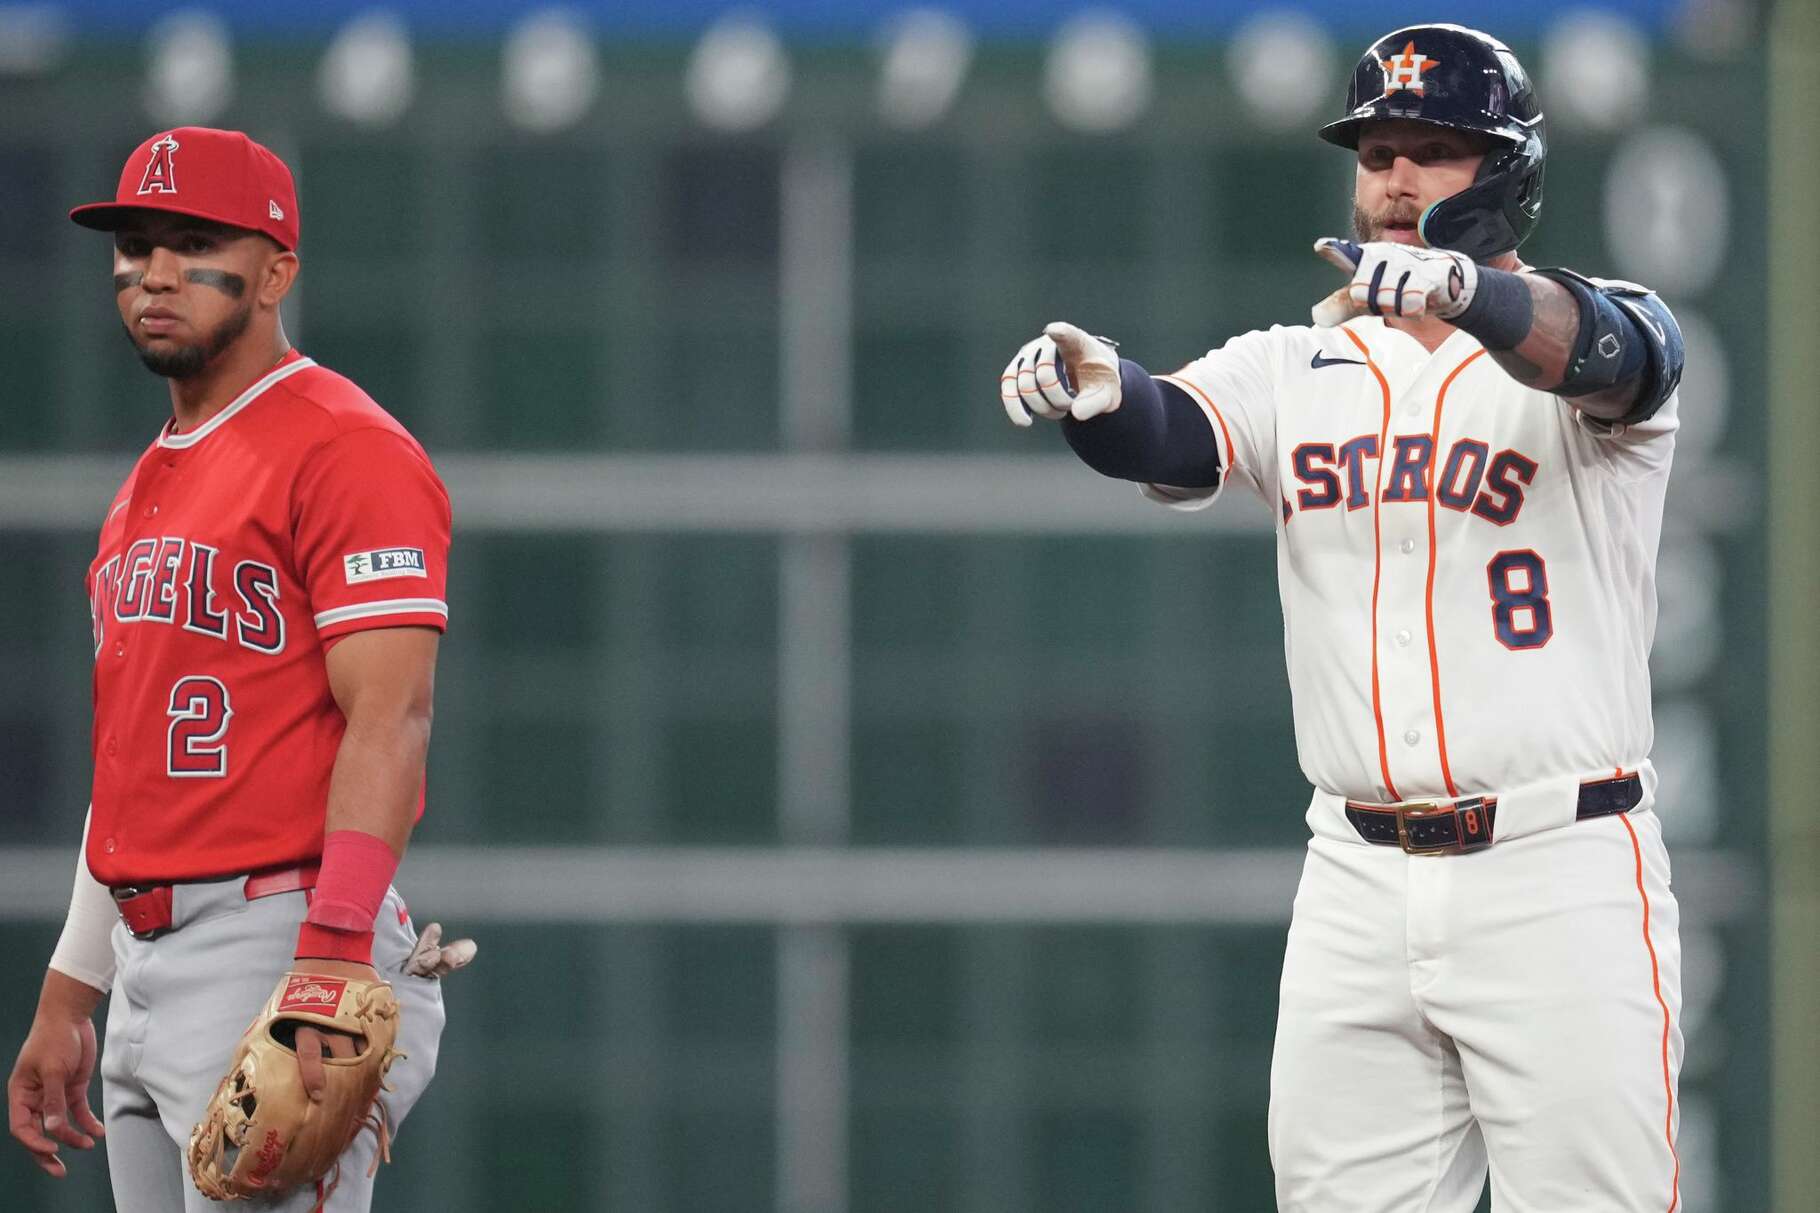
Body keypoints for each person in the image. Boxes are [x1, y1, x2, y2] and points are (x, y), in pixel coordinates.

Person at [999, 24, 1686, 1212]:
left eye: (1433, 152)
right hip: (1355, 878)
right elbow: (1170, 432)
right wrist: (1099, 394)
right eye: (1375, 155)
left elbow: (1621, 356)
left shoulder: (1579, 347)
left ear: (1507, 174)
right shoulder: (1292, 366)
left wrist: (1472, 293)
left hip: (1556, 868)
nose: (1395, 183)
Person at [5, 126, 469, 1212]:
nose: (155, 272)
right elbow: (126, 775)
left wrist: (335, 952)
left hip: (277, 938)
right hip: (145, 953)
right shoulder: (140, 495)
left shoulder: (343, 445)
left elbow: (392, 718)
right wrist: (73, 990)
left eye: (194, 242)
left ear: (276, 272)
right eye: (135, 245)